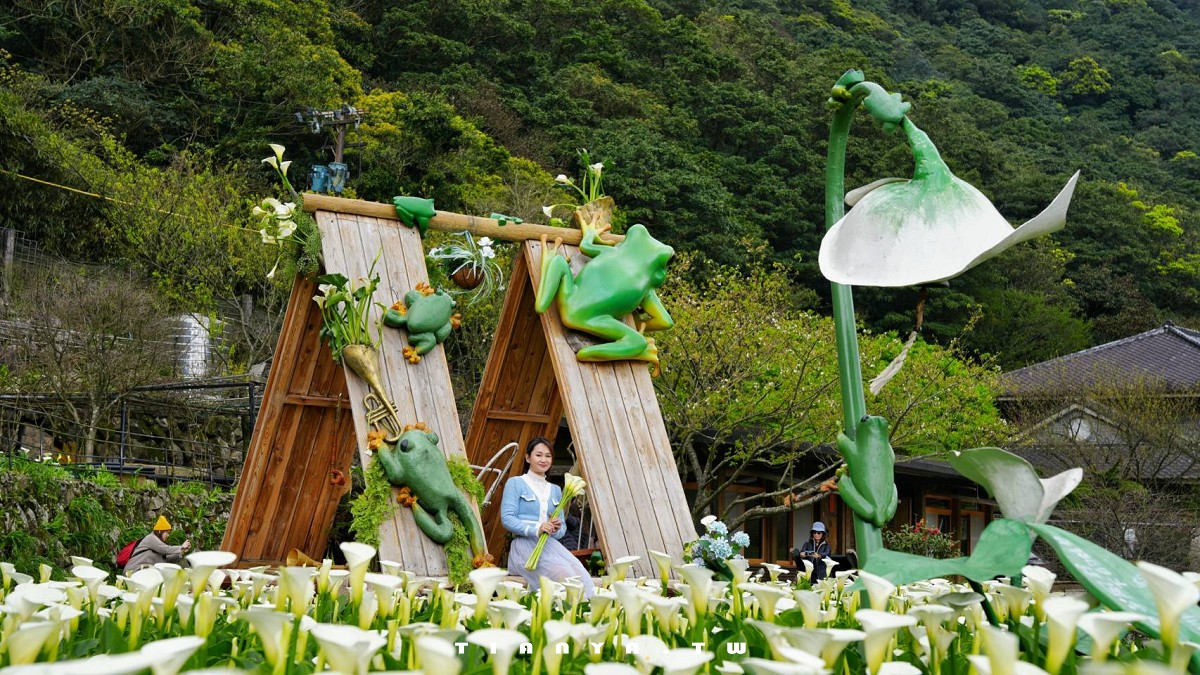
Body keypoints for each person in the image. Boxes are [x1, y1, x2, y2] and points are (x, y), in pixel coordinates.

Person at [500, 437, 596, 598]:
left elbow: (562, 529)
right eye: (538, 455)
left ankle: (581, 618)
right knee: (566, 578)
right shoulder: (516, 483)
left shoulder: (555, 490)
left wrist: (556, 528)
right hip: (525, 547)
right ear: (528, 457)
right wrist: (536, 529)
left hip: (550, 546)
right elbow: (507, 518)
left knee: (582, 577)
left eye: (548, 456)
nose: (543, 460)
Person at [124, 516, 191, 574]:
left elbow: (167, 560)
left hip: (141, 572)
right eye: (166, 532)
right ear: (159, 531)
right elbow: (166, 549)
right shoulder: (151, 538)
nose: (168, 535)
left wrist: (182, 551)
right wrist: (181, 547)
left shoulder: (158, 546)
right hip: (132, 571)